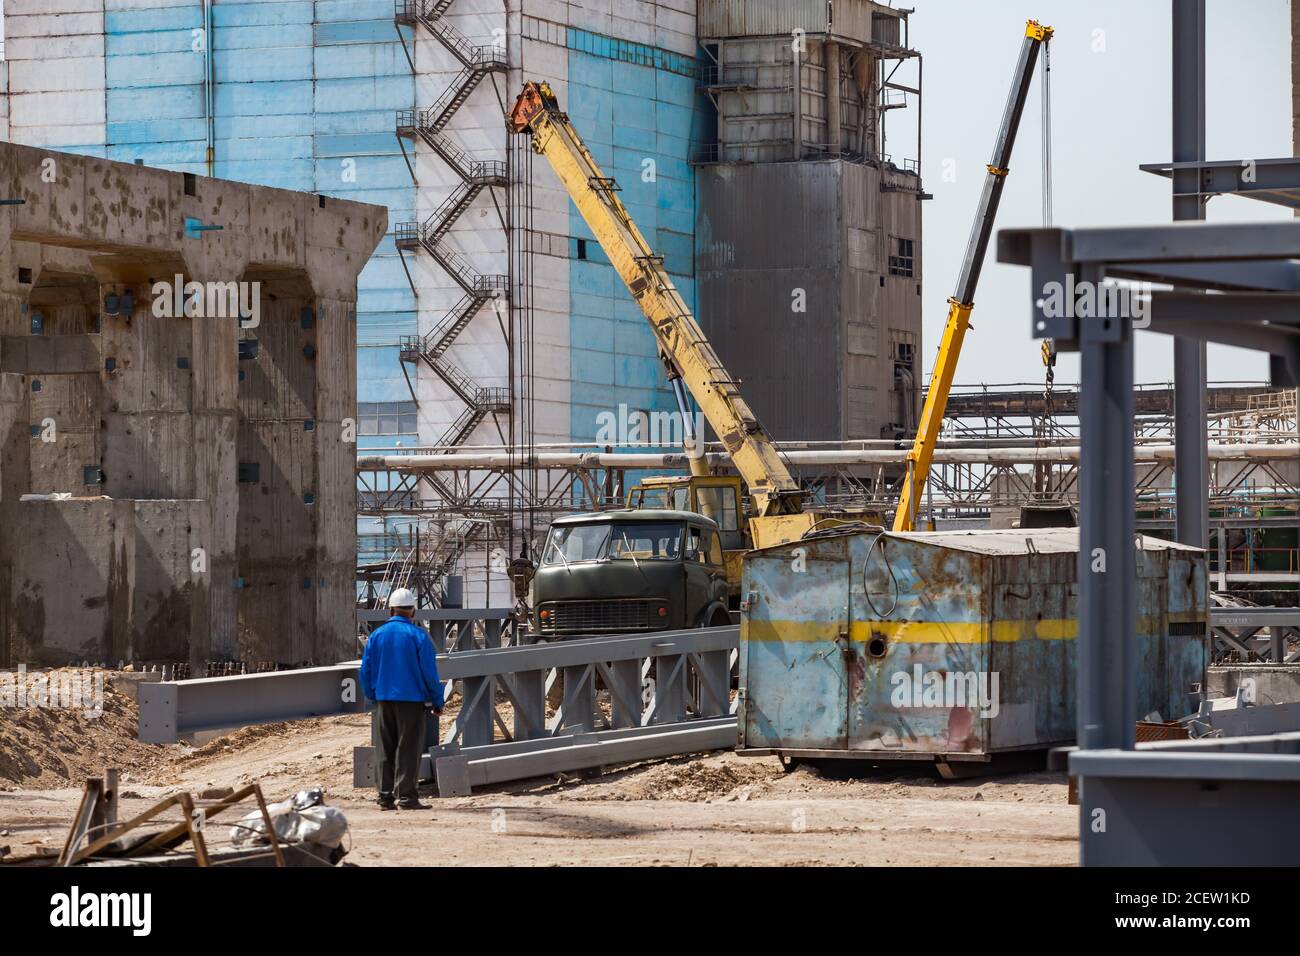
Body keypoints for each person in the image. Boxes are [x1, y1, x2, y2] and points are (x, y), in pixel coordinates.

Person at [358, 588, 443, 810]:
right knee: (408, 748)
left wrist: (372, 694)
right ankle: (407, 797)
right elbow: (430, 673)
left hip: (384, 698)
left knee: (385, 748)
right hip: (411, 701)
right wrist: (437, 700)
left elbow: (365, 670)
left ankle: (384, 797)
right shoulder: (418, 636)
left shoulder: (376, 636)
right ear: (412, 610)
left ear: (391, 609)